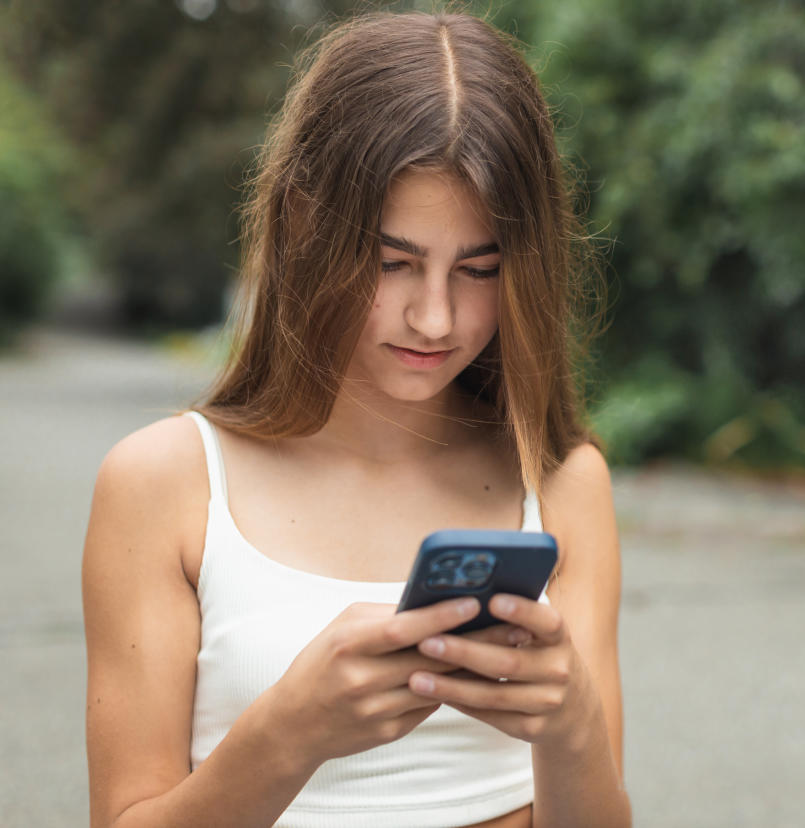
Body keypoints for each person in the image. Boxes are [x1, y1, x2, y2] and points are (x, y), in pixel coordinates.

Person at [81, 11, 628, 828]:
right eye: (392, 262)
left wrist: (570, 722)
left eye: (479, 270)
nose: (436, 318)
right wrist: (286, 734)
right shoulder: (165, 482)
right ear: (304, 224)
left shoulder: (560, 481)